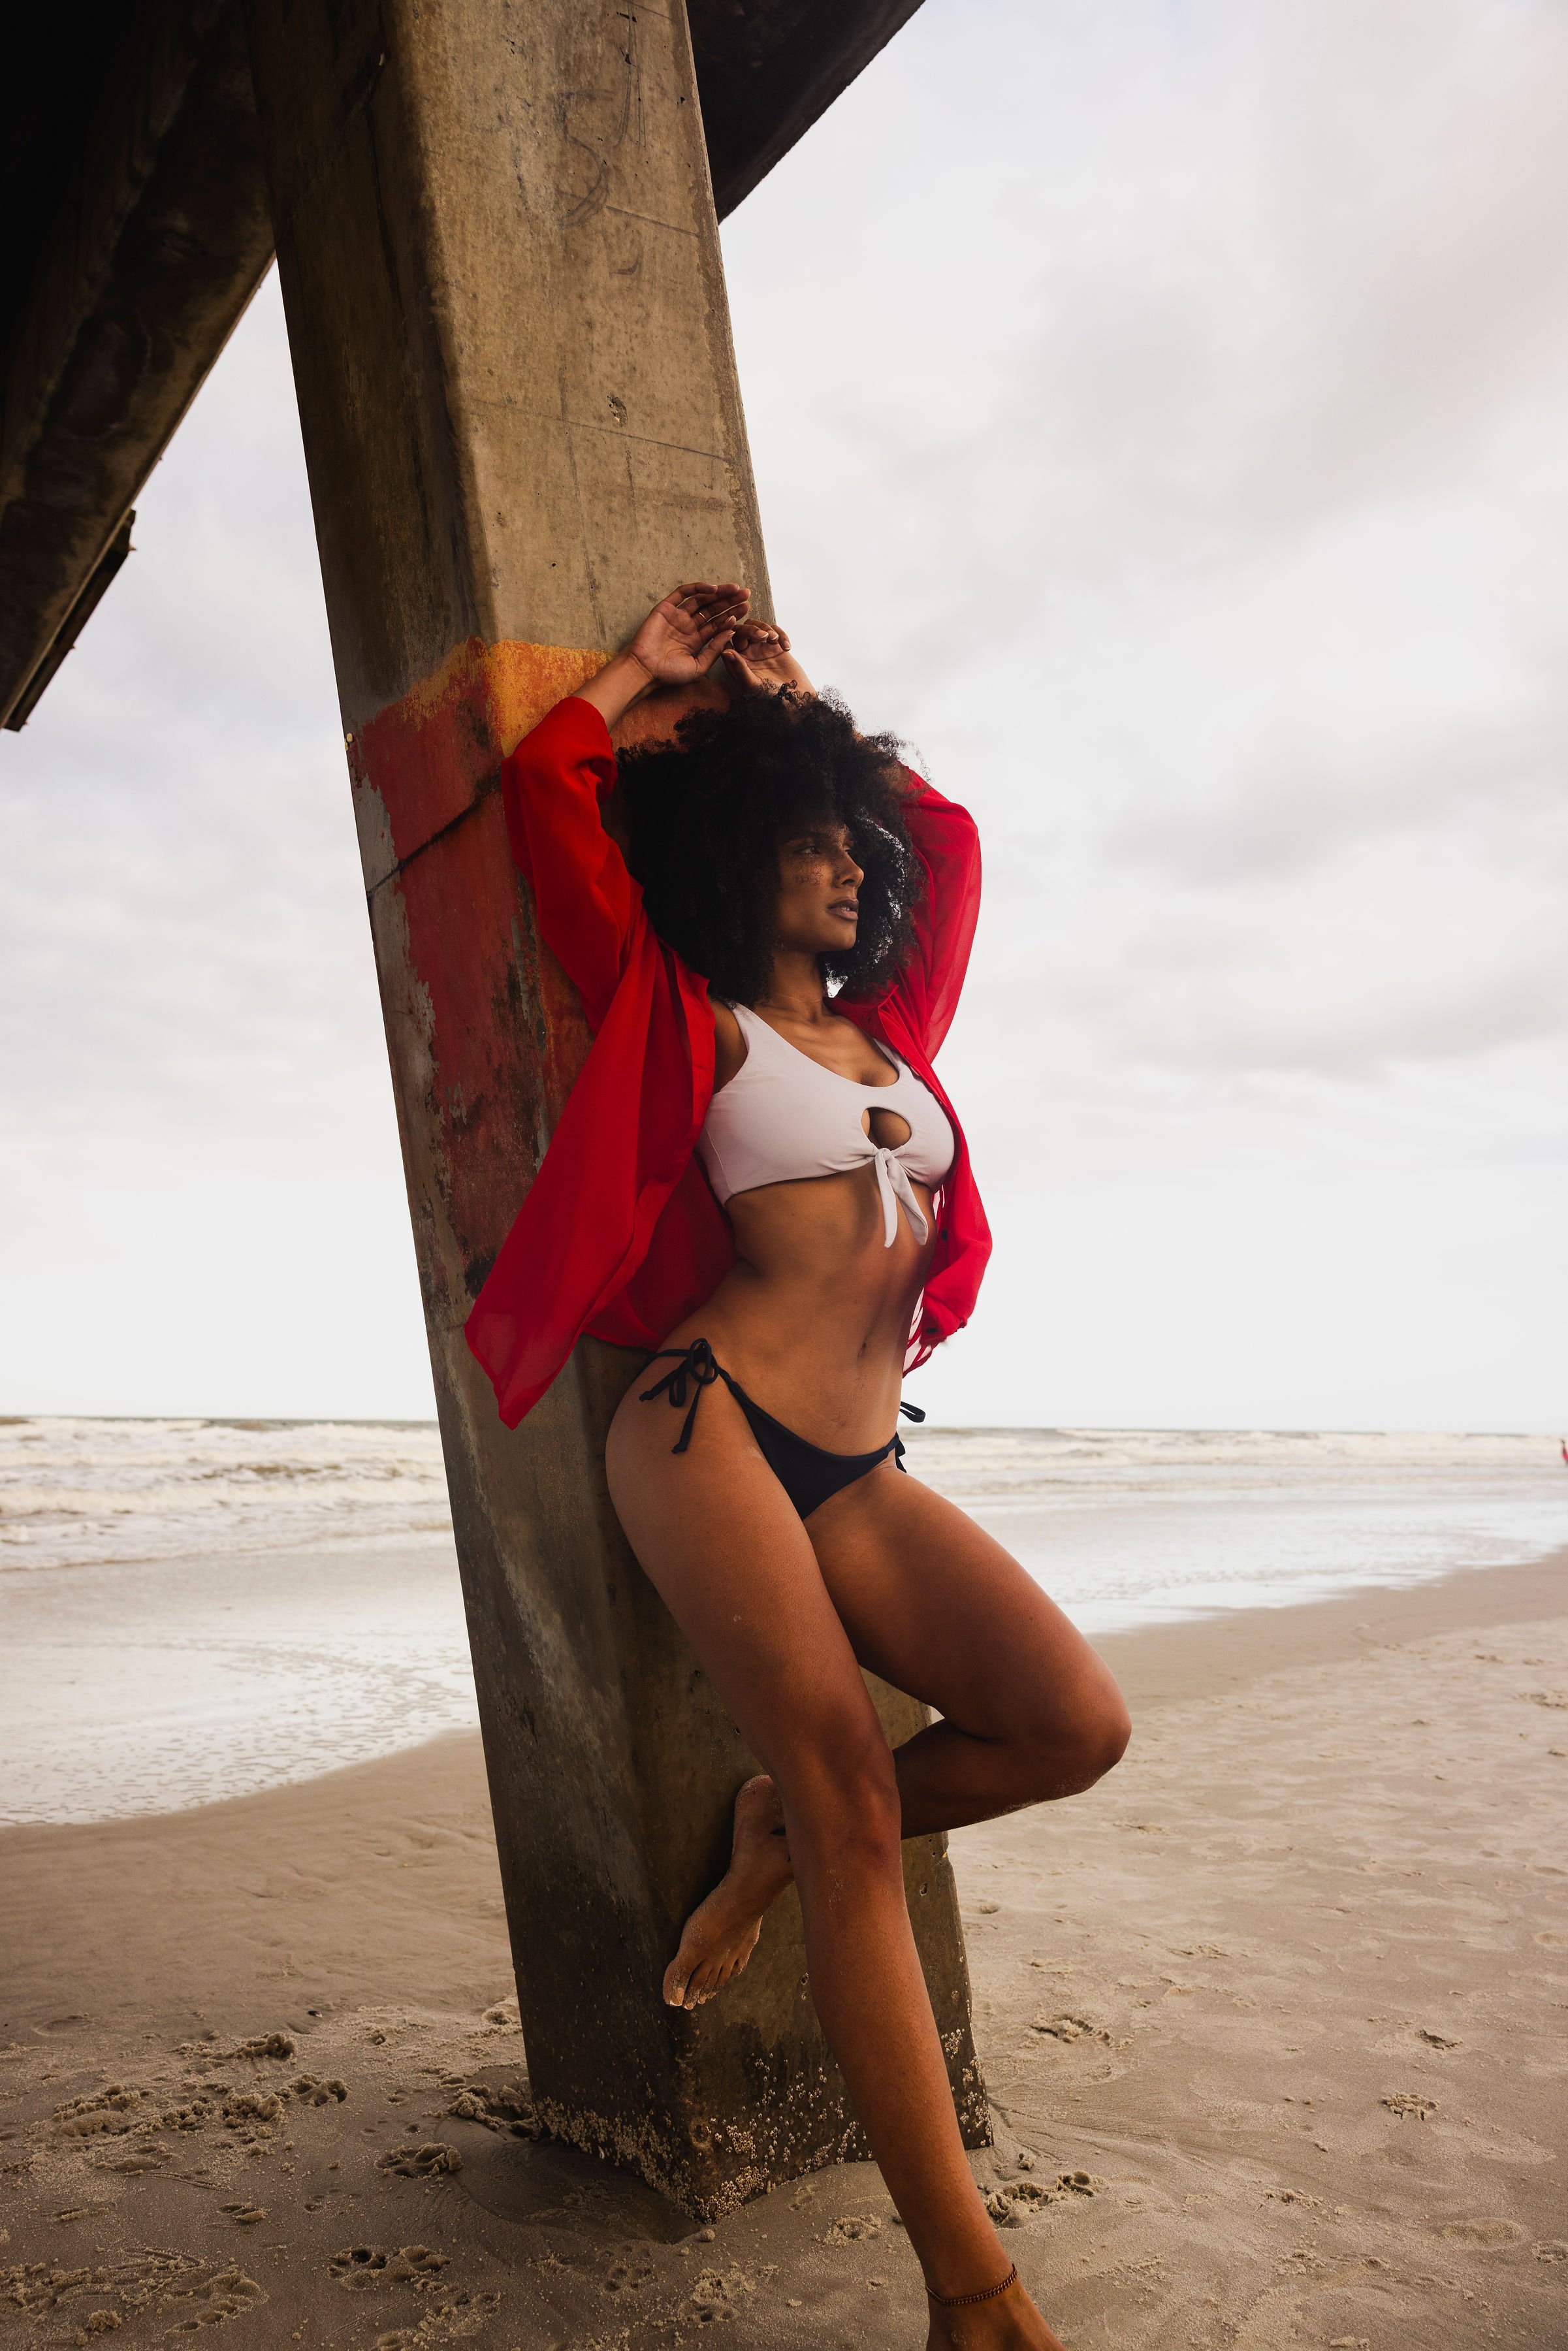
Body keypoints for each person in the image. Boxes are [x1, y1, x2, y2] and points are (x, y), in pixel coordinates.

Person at [466, 583, 1131, 2351]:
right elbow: (546, 796)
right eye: (810, 838)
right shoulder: (687, 1015)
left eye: (851, 843)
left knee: (1072, 1728)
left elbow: (950, 841)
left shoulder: (893, 1023)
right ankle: (972, 2292)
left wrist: (806, 702)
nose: (850, 865)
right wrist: (650, 675)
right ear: (737, 850)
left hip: (854, 1466)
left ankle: (769, 1836)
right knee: (854, 1802)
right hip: (706, 1429)